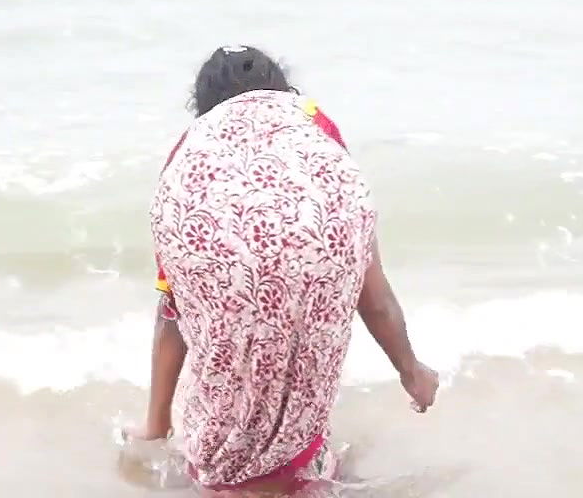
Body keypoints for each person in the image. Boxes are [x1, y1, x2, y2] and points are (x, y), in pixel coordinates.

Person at [128, 45, 438, 493]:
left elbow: (172, 312)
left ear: (205, 107)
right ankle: (302, 465)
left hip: (215, 457)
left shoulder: (191, 157)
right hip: (311, 256)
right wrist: (412, 371)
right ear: (281, 89)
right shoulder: (314, 130)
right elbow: (371, 291)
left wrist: (156, 424)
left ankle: (209, 456)